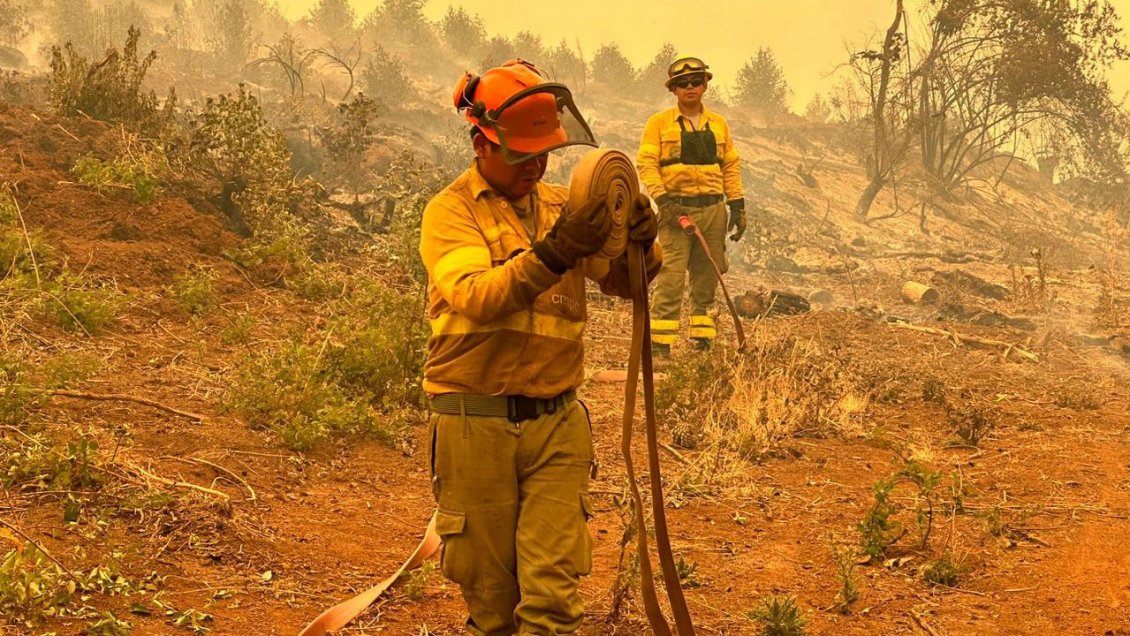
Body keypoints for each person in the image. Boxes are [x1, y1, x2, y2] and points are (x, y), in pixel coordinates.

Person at [418, 59, 662, 635]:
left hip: (556, 422)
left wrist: (641, 246)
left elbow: (623, 282)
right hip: (475, 420)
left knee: (552, 604)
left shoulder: (564, 208)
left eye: (543, 153)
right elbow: (476, 296)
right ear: (481, 143)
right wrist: (553, 254)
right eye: (520, 154)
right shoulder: (449, 212)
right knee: (495, 605)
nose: (536, 166)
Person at [636, 56, 746, 353]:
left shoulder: (719, 124)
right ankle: (659, 346)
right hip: (676, 212)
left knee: (707, 276)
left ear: (705, 84)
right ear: (673, 89)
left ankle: (703, 342)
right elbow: (647, 165)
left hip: (713, 210)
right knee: (671, 277)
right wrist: (664, 202)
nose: (690, 87)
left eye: (696, 81)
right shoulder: (658, 124)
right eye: (682, 83)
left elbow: (731, 166)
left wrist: (737, 205)